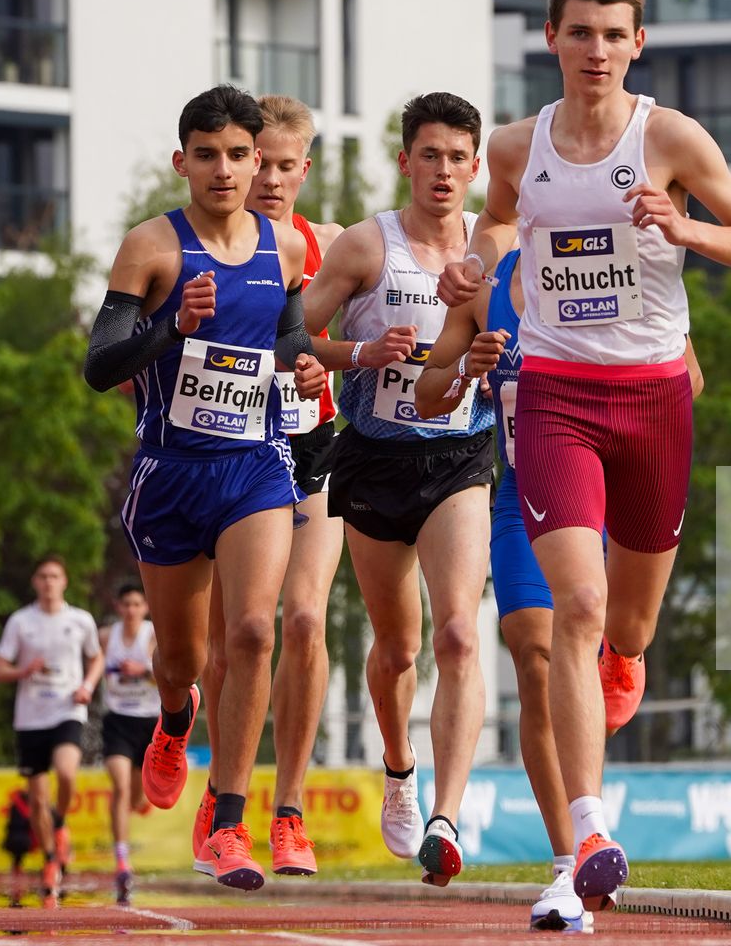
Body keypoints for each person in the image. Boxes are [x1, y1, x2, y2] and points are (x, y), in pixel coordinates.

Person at [436, 0, 731, 908]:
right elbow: (500, 225)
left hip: (656, 398)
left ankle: (626, 663)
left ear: (639, 44)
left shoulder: (667, 136)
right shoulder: (514, 145)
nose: (595, 50)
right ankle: (589, 834)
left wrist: (688, 230)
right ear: (551, 38)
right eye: (579, 32)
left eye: (612, 34)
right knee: (573, 612)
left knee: (625, 627)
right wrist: (473, 265)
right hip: (553, 394)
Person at [416, 242, 703, 929]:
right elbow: (427, 391)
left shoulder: (617, 270)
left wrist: (617, 377)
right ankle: (573, 856)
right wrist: (464, 368)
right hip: (528, 492)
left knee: (623, 627)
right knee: (536, 652)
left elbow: (687, 377)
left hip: (616, 477)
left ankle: (623, 654)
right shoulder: (489, 288)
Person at [81, 85, 319, 890]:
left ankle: (227, 820)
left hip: (255, 466)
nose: (225, 170)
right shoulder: (151, 247)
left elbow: (284, 343)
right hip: (170, 475)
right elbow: (99, 367)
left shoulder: (282, 249)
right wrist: (169, 327)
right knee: (182, 659)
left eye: (240, 156)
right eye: (207, 155)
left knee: (254, 631)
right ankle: (174, 721)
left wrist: (307, 362)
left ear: (260, 162)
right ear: (182, 161)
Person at [188, 95, 409, 880]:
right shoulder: (205, 246)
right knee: (236, 640)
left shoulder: (326, 246)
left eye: (287, 167)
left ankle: (287, 813)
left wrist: (337, 357)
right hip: (227, 450)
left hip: (312, 446)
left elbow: (332, 334)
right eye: (262, 164)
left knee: (306, 620)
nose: (271, 181)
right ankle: (221, 798)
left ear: (303, 168)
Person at [293, 92, 494, 886]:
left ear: (476, 167)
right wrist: (360, 353)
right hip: (373, 460)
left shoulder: (492, 242)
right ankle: (400, 769)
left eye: (457, 157)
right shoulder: (365, 246)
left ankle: (447, 814)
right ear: (405, 161)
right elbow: (289, 336)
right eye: (430, 155)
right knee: (399, 646)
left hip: (459, 456)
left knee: (457, 635)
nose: (443, 170)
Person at [0, 556, 102, 908]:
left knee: (67, 773)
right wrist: (23, 670)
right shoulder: (21, 622)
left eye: (55, 576)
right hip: (30, 718)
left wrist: (87, 685)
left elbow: (96, 657)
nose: (49, 582)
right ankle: (51, 859)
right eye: (43, 576)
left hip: (68, 709)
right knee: (37, 798)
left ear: (65, 581)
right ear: (35, 583)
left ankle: (61, 821)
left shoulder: (80, 620)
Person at [100, 582, 158, 904]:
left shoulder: (152, 636)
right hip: (117, 721)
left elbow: (172, 672)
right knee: (120, 788)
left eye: (137, 604)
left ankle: (141, 801)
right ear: (118, 607)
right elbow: (89, 658)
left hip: (149, 722)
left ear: (145, 608)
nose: (131, 610)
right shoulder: (106, 637)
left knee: (136, 796)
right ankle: (122, 862)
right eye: (126, 605)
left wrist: (143, 670)